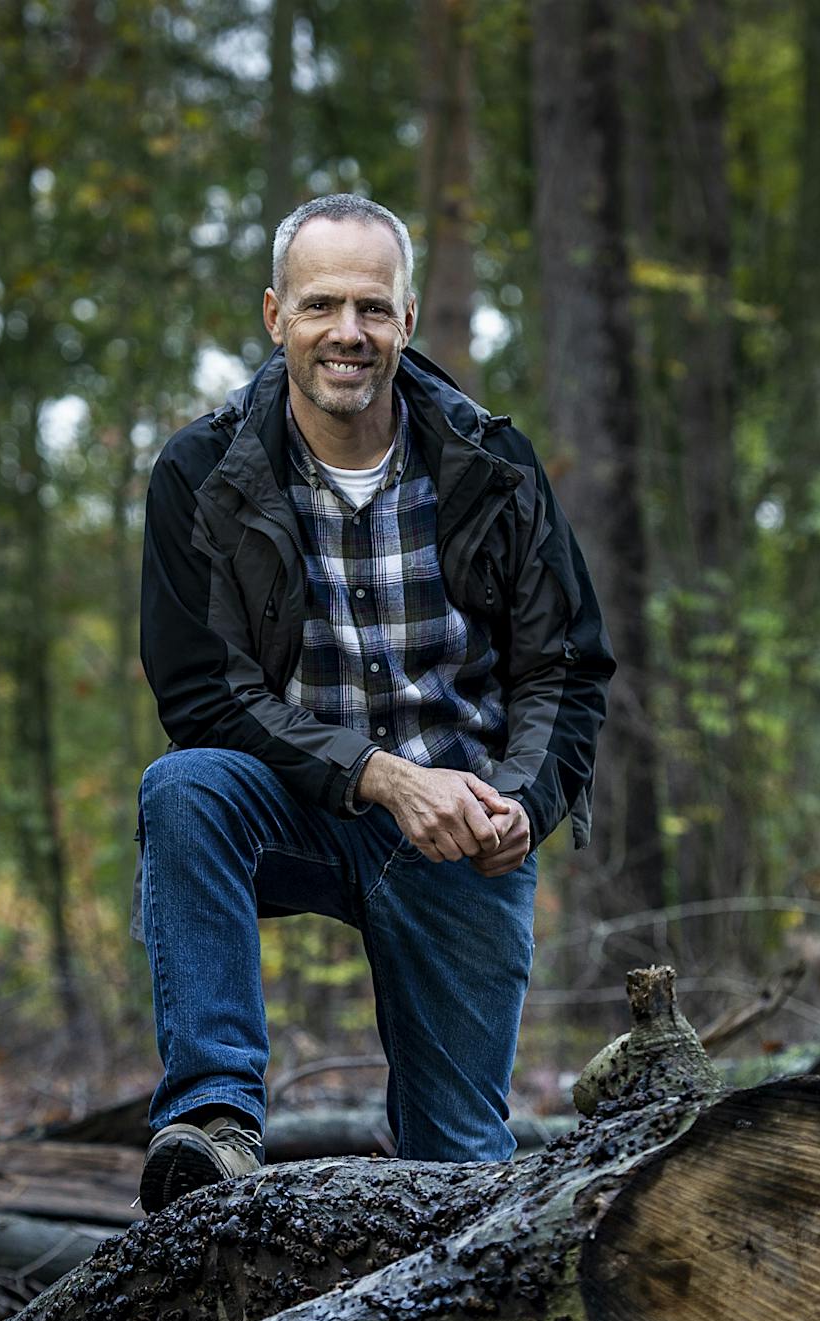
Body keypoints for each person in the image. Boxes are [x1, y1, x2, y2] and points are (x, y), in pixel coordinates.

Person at [134, 192, 613, 1212]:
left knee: (459, 1182)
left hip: (456, 833)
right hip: (295, 804)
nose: (345, 332)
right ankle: (212, 1122)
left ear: (405, 318)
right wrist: (381, 777)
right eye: (318, 306)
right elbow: (198, 693)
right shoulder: (201, 471)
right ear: (274, 317)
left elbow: (565, 669)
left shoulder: (493, 466)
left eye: (369, 307)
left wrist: (521, 803)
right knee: (184, 789)